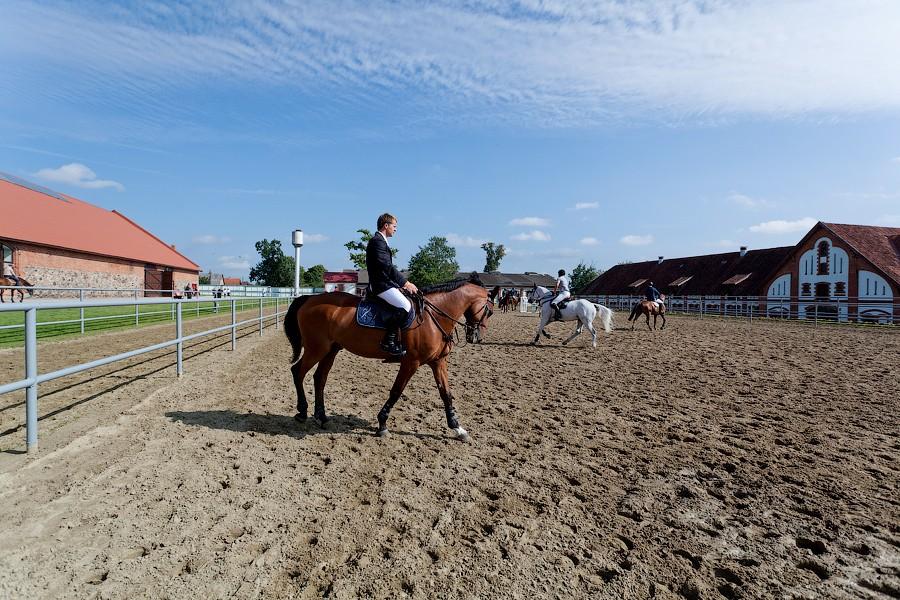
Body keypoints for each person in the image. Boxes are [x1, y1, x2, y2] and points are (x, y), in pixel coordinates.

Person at [366, 213, 419, 356]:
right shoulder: (377, 242)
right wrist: (405, 283)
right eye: (394, 226)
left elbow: (386, 269)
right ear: (386, 225)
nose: (396, 229)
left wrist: (398, 285)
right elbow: (386, 267)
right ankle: (388, 342)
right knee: (405, 306)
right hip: (380, 286)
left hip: (386, 283)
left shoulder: (381, 242)